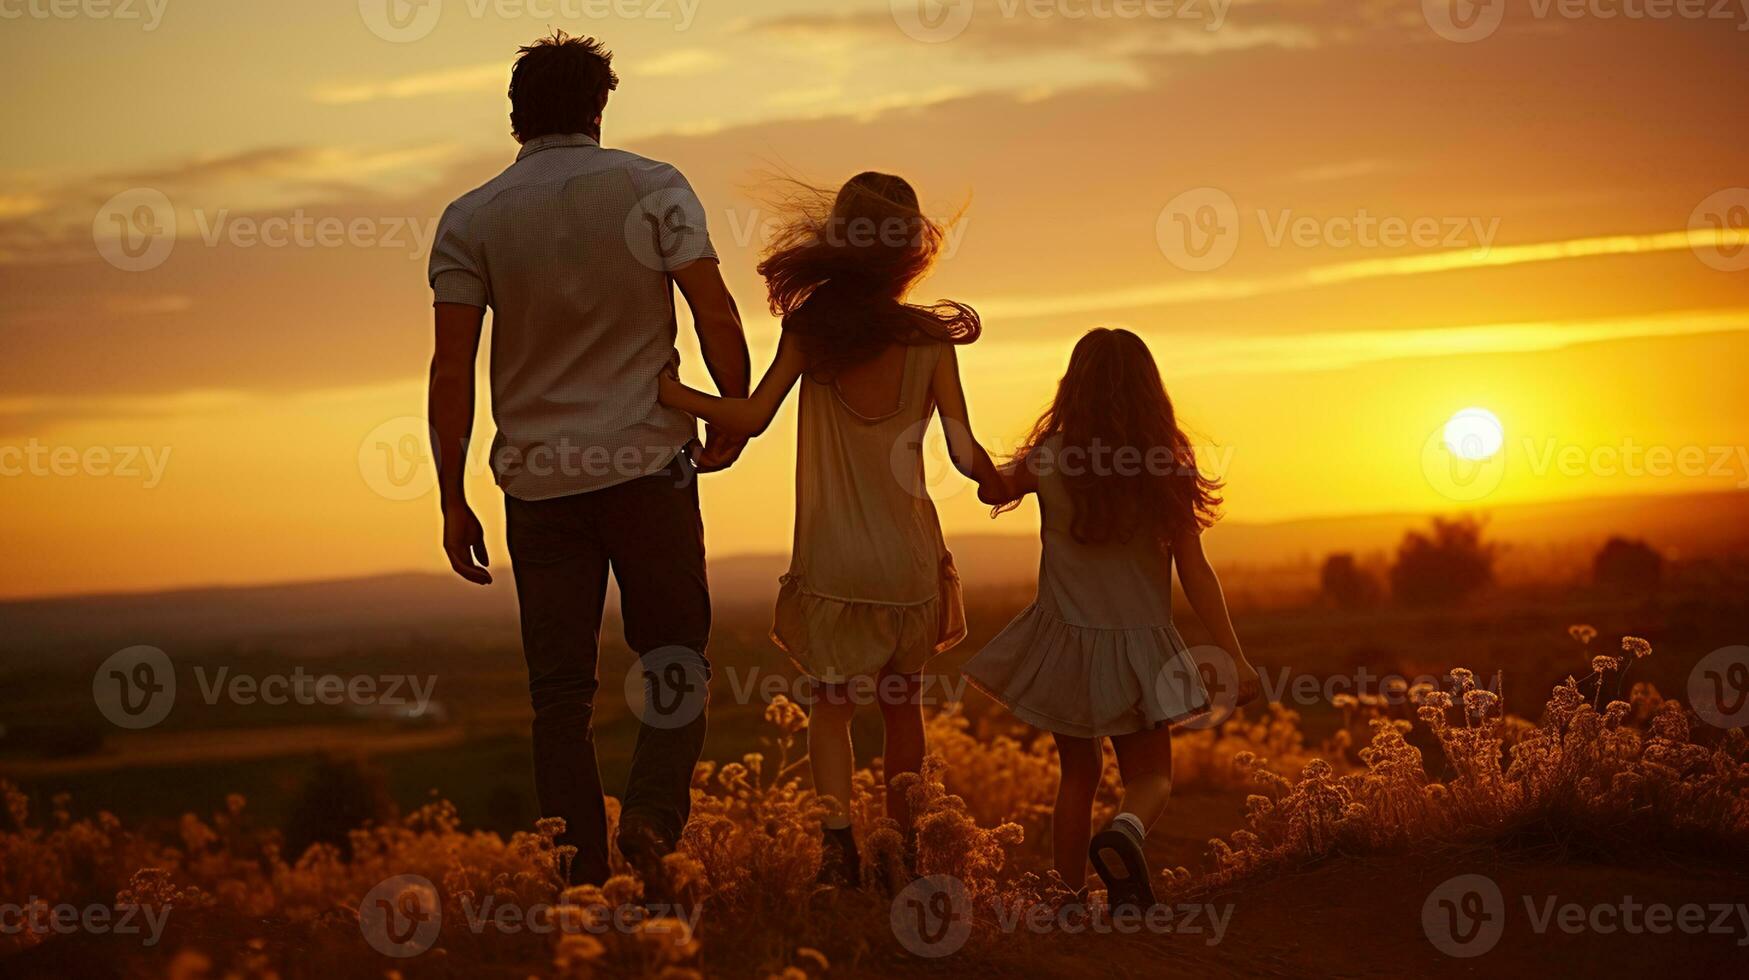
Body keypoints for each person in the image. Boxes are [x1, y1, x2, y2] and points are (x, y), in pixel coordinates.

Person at [424, 32, 751, 889]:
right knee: (676, 659)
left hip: (537, 487)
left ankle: (579, 884)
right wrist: (733, 410)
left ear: (513, 116)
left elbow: (450, 366)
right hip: (649, 466)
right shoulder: (653, 187)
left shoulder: (471, 217)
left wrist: (451, 494)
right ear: (599, 108)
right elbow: (714, 311)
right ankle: (650, 819)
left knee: (559, 697)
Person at [657, 172, 1001, 886]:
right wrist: (1009, 482)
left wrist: (664, 389)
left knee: (832, 709)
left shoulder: (810, 331)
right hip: (909, 561)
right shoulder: (930, 339)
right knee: (904, 711)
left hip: (833, 563)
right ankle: (902, 852)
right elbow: (966, 455)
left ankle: (837, 848)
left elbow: (749, 418)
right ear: (909, 249)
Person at [965, 327, 1262, 909]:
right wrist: (1234, 653)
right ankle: (1125, 833)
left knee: (1078, 776)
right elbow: (1195, 569)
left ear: (1072, 387)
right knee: (1151, 777)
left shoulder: (1048, 458)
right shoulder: (1166, 464)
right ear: (1151, 391)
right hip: (1141, 651)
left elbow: (990, 488)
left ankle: (1067, 899)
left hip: (1066, 647)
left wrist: (959, 435)